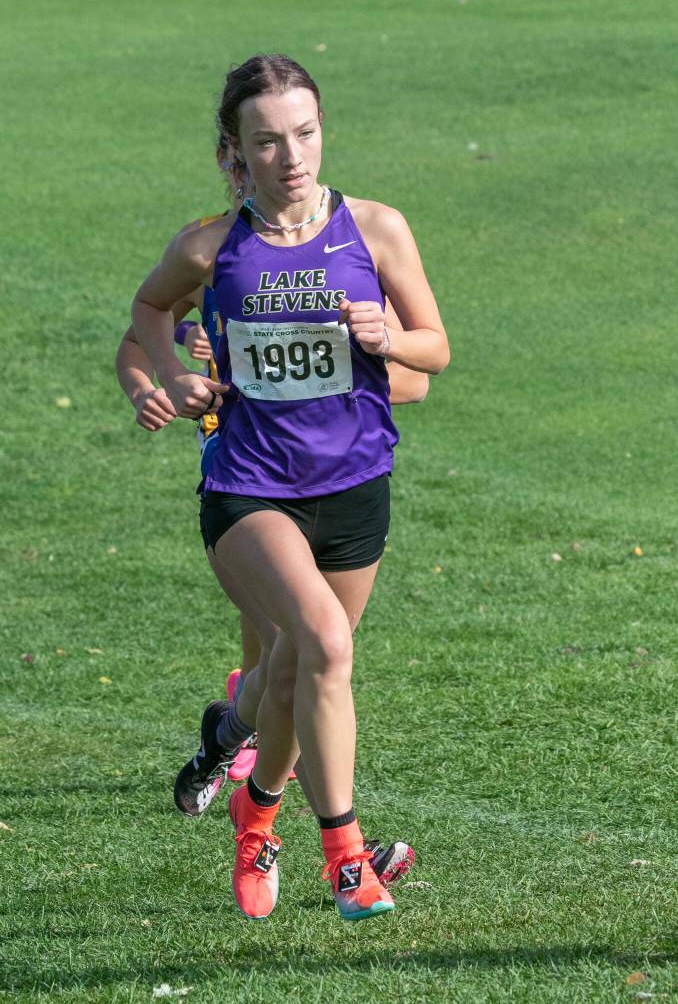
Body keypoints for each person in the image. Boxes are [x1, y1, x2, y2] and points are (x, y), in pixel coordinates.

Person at [132, 54, 449, 923]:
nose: (291, 155)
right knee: (322, 645)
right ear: (236, 152)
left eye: (304, 133)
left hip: (353, 489)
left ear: (323, 133)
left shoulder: (377, 230)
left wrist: (390, 337)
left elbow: (435, 353)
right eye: (266, 141)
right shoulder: (209, 246)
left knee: (288, 669)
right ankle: (347, 856)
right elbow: (150, 313)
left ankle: (252, 806)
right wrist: (168, 374)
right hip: (246, 488)